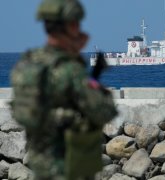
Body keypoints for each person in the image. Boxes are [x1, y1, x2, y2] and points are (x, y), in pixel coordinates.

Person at [10, 0, 117, 179]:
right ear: (72, 25)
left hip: (40, 162)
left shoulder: (26, 63)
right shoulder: (70, 69)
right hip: (70, 163)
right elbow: (104, 111)